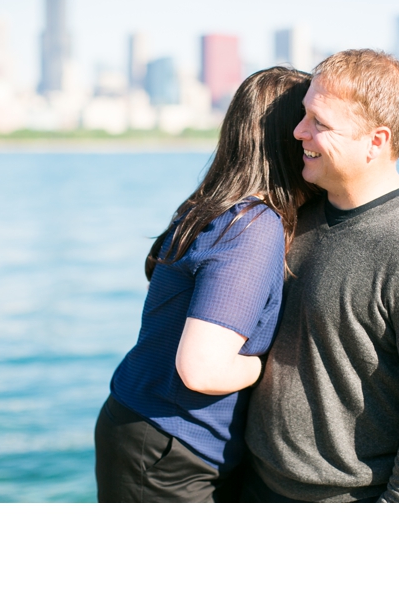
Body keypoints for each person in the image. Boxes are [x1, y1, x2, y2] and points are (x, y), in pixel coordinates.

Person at [242, 49, 399, 503]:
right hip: (251, 484)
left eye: (319, 122)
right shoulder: (298, 213)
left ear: (376, 141)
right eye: (303, 114)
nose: (298, 131)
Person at [94, 67, 314, 502]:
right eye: (307, 121)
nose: (311, 133)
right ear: (287, 137)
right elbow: (202, 368)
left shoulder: (211, 204)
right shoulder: (253, 226)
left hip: (145, 429)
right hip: (166, 451)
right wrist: (271, 365)